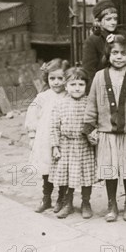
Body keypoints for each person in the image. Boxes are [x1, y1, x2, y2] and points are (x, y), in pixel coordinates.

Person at [83, 35, 126, 222]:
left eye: (123, 53)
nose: (119, 57)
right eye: (114, 53)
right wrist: (90, 128)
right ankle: (112, 204)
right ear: (108, 54)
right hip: (106, 133)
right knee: (109, 170)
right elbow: (92, 103)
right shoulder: (99, 76)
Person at [48, 67, 95, 219]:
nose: (77, 88)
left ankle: (86, 202)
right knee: (66, 176)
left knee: (86, 177)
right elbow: (54, 126)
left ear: (86, 86)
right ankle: (67, 203)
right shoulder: (60, 104)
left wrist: (94, 136)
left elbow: (95, 123)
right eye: (73, 84)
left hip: (84, 145)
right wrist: (55, 146)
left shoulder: (90, 103)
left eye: (81, 84)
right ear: (66, 86)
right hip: (66, 145)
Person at [24, 58, 70, 213]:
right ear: (47, 79)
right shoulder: (43, 97)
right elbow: (32, 114)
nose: (56, 82)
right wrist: (32, 134)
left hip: (63, 139)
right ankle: (46, 197)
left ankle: (61, 198)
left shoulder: (69, 96)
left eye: (60, 78)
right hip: (45, 138)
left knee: (63, 169)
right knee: (47, 168)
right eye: (52, 79)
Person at [82, 0, 126, 82]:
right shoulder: (92, 41)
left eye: (115, 19)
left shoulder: (123, 36)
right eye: (108, 19)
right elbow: (89, 70)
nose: (113, 22)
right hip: (102, 82)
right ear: (98, 22)